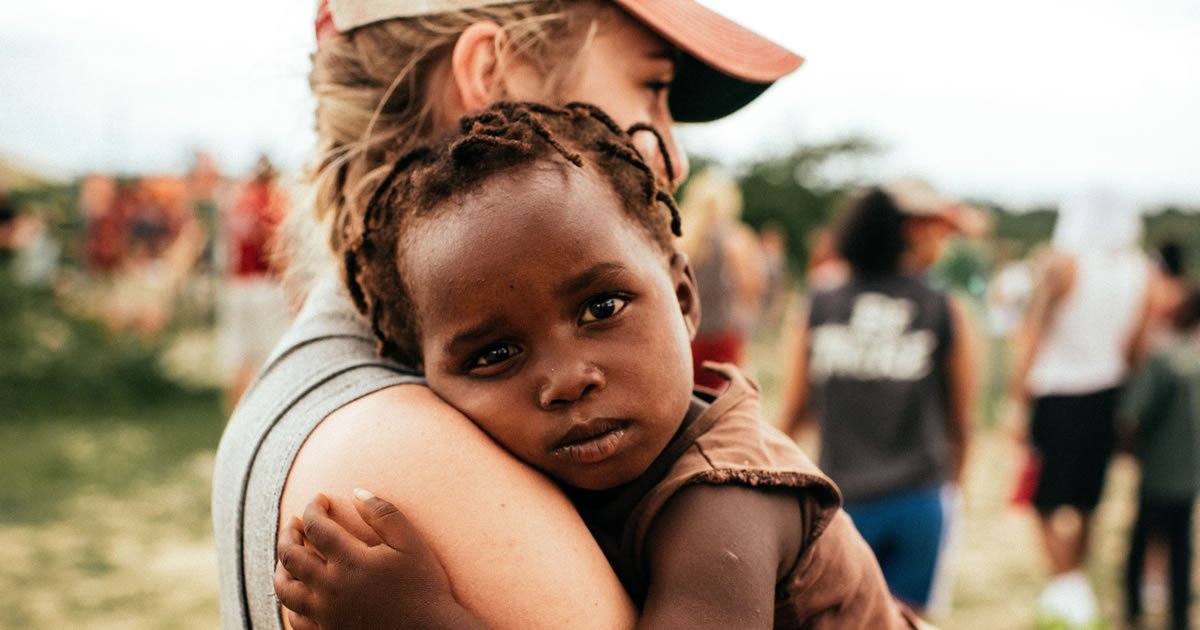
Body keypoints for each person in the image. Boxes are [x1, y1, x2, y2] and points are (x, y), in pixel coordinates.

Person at [211, 2, 804, 628]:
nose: (674, 160)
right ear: (493, 77)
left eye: (601, 308)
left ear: (685, 299)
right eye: (651, 87)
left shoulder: (313, 376)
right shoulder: (394, 452)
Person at [272, 101, 917, 630]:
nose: (568, 379)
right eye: (495, 355)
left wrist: (420, 619)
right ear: (422, 378)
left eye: (602, 307)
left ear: (684, 299)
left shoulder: (726, 498)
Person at [777, 177, 977, 615]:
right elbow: (961, 418)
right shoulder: (941, 306)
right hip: (918, 498)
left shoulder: (819, 304)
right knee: (904, 619)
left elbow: (792, 410)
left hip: (839, 502)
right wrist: (953, 487)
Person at [1009, 188, 1154, 629]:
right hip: (1106, 390)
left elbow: (1033, 331)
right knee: (1089, 497)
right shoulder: (1141, 270)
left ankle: (1068, 586)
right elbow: (1137, 345)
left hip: (1057, 392)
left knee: (1041, 496)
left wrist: (1017, 400)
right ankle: (1075, 588)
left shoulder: (1064, 263)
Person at [1119, 287, 1200, 630]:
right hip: (1189, 471)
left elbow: (1132, 415)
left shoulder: (1163, 359)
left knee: (1141, 540)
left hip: (1158, 468)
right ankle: (1179, 616)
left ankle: (1133, 609)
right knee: (1182, 545)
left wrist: (1129, 447)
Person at [677, 168, 768, 390]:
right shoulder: (736, 238)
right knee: (719, 405)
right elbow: (752, 289)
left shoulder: (680, 235)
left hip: (683, 335)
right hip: (721, 335)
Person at [218, 156, 292, 411]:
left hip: (237, 285)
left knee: (240, 358)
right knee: (268, 357)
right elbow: (276, 251)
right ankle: (260, 415)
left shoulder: (238, 202)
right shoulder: (272, 203)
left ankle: (233, 422)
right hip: (264, 287)